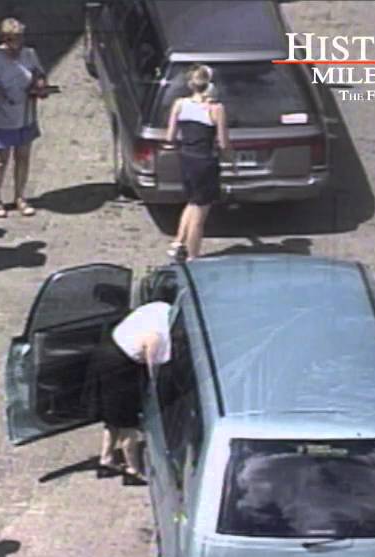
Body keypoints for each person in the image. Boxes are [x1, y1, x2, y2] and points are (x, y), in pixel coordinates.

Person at [84, 300, 173, 482]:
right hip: (121, 368)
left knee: (113, 419)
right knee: (128, 424)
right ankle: (133, 470)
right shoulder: (158, 334)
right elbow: (153, 369)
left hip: (106, 353)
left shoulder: (157, 308)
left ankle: (106, 460)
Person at [0, 17, 49, 218]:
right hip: (1, 117)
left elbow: (39, 74)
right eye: (13, 39)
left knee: (23, 157)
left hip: (25, 115)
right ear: (5, 38)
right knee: (1, 160)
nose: (17, 43)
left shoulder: (29, 54)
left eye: (20, 38)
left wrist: (40, 87)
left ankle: (19, 197)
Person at [163, 64, 234, 261]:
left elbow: (170, 137)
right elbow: (223, 142)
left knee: (192, 202)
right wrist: (232, 160)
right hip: (205, 162)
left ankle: (178, 242)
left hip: (186, 159)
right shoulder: (216, 109)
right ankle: (192, 256)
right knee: (200, 214)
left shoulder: (179, 104)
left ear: (190, 84)